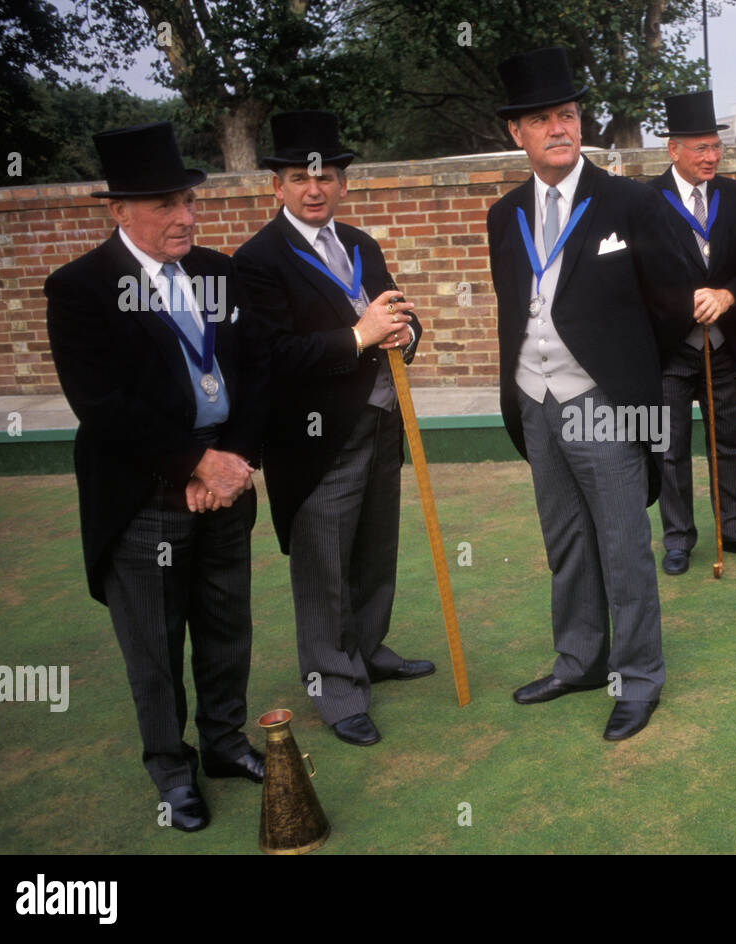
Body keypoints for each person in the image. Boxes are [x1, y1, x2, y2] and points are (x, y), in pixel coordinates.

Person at [45, 121, 267, 832]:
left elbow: (254, 376)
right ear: (118, 211)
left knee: (228, 625)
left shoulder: (219, 271)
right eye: (165, 205)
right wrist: (194, 462)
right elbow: (102, 406)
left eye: (188, 202)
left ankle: (228, 744)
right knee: (154, 643)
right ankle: (173, 772)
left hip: (225, 480)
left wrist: (230, 461)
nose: (185, 218)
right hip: (143, 494)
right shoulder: (79, 288)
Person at [486, 47, 693, 740]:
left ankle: (638, 679)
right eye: (542, 119)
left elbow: (675, 304)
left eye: (567, 114)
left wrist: (634, 383)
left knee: (624, 542)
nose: (559, 127)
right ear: (517, 133)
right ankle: (578, 658)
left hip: (605, 401)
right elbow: (514, 308)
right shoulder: (504, 215)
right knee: (567, 541)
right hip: (535, 400)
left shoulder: (631, 201)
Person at [233, 111, 434, 746]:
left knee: (375, 551)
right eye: (299, 178)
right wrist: (358, 335)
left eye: (325, 177)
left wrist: (408, 330)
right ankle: (335, 686)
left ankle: (367, 650)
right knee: (323, 566)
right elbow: (270, 357)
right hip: (314, 441)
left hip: (380, 422)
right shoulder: (259, 261)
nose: (314, 189)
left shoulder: (361, 245)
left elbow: (394, 311)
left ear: (342, 183)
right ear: (278, 187)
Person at [649, 90, 736, 576]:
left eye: (715, 146)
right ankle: (678, 538)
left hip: (722, 350)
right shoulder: (645, 200)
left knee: (730, 445)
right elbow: (639, 279)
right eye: (700, 148)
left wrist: (727, 296)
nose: (711, 156)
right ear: (673, 149)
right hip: (669, 352)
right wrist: (685, 304)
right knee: (671, 448)